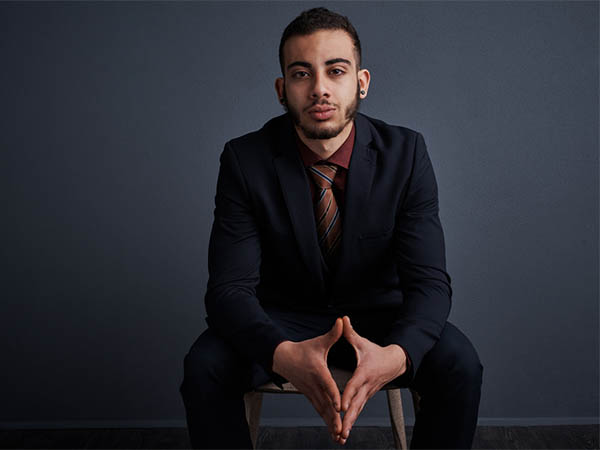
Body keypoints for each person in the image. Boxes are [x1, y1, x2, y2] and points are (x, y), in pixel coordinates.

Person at [180, 7, 483, 449]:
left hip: (380, 319)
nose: (319, 88)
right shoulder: (245, 160)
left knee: (460, 364)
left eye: (335, 71)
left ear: (361, 82)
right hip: (283, 319)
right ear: (282, 90)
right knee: (204, 366)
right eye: (301, 74)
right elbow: (228, 291)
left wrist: (395, 356)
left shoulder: (407, 154)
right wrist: (282, 354)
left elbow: (430, 283)